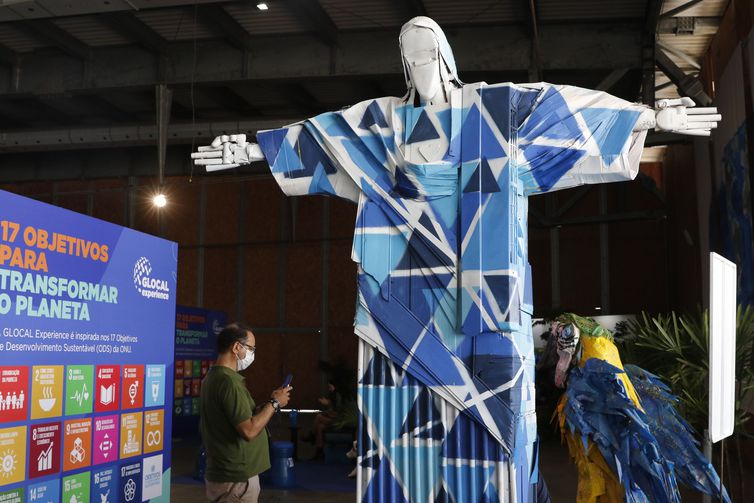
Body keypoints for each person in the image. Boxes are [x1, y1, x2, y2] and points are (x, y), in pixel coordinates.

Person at [193, 16, 720, 503]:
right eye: (411, 57)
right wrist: (250, 151)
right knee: (397, 433)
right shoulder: (384, 124)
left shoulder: (495, 112)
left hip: (485, 306)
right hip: (398, 302)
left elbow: (564, 113)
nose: (421, 66)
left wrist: (651, 115)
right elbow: (323, 140)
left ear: (446, 58)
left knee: (494, 443)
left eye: (428, 54)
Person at [199, 323, 292, 503]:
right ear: (236, 347)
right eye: (251, 348)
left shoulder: (213, 377)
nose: (252, 354)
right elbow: (248, 430)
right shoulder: (228, 383)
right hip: (236, 480)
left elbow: (236, 418)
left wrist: (266, 406)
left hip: (226, 473)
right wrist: (274, 403)